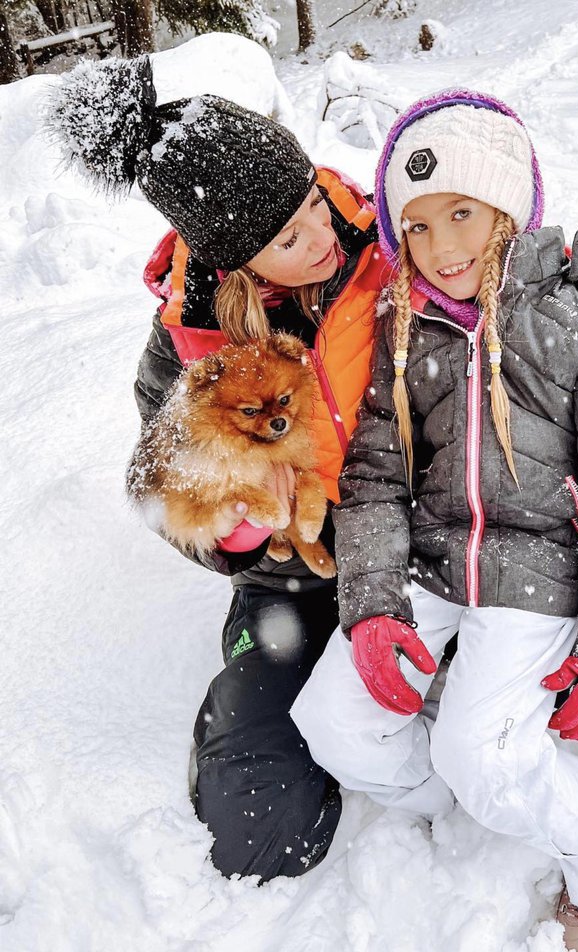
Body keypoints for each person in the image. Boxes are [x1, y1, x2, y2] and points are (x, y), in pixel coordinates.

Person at [290, 89, 578, 950]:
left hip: (539, 569)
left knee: (486, 753)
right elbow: (378, 478)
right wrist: (375, 604)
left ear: (508, 201)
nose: (441, 245)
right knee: (333, 724)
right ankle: (460, 796)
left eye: (460, 212)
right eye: (416, 226)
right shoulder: (403, 324)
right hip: (431, 560)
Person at [47, 55, 392, 882]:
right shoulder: (185, 348)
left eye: (314, 202)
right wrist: (239, 537)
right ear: (237, 262)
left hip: (426, 550)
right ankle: (268, 667)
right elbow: (166, 497)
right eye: (287, 237)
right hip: (293, 588)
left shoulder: (395, 253)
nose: (322, 236)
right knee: (257, 833)